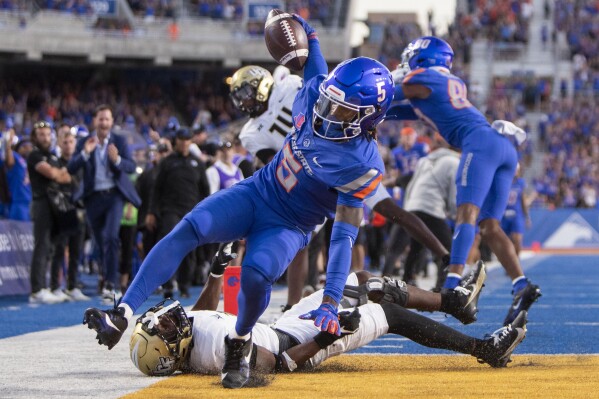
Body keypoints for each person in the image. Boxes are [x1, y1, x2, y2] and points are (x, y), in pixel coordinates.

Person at [82, 16, 447, 390]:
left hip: (289, 224)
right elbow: (312, 62)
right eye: (330, 100)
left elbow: (342, 236)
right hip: (257, 192)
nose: (327, 111)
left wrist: (330, 301)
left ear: (369, 117)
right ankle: (122, 311)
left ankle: (239, 343)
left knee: (256, 276)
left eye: (342, 110)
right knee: (191, 227)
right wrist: (310, 33)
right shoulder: (316, 94)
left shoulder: (363, 164)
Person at [125, 246, 526, 378]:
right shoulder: (214, 352)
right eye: (163, 327)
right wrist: (326, 338)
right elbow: (278, 365)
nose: (170, 318)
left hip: (282, 325)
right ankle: (482, 347)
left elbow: (201, 313)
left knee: (364, 278)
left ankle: (454, 302)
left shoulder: (193, 336)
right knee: (387, 312)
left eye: (160, 318)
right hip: (302, 342)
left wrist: (215, 274)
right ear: (168, 354)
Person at [387, 36, 541, 325]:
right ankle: (521, 284)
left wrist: (381, 84)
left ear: (422, 58)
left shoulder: (422, 77)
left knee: (466, 216)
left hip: (479, 143)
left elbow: (392, 94)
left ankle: (453, 286)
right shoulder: (442, 83)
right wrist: (376, 115)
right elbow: (401, 109)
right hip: (502, 146)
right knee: (490, 226)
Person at [67, 105, 141, 304]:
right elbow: (71, 167)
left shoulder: (119, 141)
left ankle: (110, 284)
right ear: (95, 121)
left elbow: (131, 166)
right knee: (100, 244)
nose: (104, 123)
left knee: (110, 238)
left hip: (115, 197)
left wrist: (117, 160)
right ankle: (106, 276)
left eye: (107, 119)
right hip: (93, 198)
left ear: (111, 122)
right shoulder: (85, 142)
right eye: (101, 119)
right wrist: (84, 153)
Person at [145, 128, 210, 299]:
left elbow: (205, 191)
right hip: (170, 210)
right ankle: (168, 285)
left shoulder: (198, 163)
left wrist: (206, 213)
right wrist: (152, 212)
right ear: (176, 141)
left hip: (192, 211)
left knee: (189, 249)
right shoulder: (167, 163)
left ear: (190, 142)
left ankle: (184, 286)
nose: (184, 142)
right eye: (181, 139)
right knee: (169, 246)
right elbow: (156, 189)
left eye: (187, 139)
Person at [402, 134, 460, 290]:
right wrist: (454, 212)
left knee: (416, 246)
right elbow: (453, 192)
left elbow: (411, 185)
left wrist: (407, 208)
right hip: (431, 208)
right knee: (447, 248)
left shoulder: (425, 160)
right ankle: (441, 285)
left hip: (413, 206)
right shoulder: (455, 162)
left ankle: (406, 281)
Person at [27, 121, 73, 304]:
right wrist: (58, 173)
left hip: (56, 205)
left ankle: (51, 286)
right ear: (35, 137)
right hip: (41, 204)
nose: (45, 138)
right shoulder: (34, 155)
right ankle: (36, 290)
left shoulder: (53, 156)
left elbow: (67, 177)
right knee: (42, 245)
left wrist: (59, 173)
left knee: (53, 247)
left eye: (47, 134)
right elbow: (56, 175)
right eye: (41, 134)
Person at [500, 164, 530, 257]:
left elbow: (523, 201)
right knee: (505, 242)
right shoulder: (503, 181)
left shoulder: (521, 183)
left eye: (517, 170)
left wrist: (527, 217)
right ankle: (509, 262)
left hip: (517, 215)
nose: (516, 172)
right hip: (503, 215)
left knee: (517, 239)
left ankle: (516, 262)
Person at [4, 130, 33, 221]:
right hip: (19, 205)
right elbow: (9, 160)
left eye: (30, 146)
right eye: (24, 146)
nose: (28, 148)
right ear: (18, 149)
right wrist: (8, 145)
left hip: (33, 205)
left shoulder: (33, 162)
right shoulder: (16, 158)